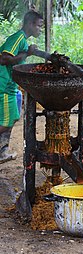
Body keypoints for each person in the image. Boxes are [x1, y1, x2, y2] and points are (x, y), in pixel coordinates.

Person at [0, 10, 43, 163]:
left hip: (10, 88)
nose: (40, 29)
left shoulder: (23, 40)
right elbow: (4, 59)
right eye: (39, 25)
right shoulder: (18, 38)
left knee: (10, 119)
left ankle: (2, 152)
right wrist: (27, 53)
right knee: (5, 123)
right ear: (30, 24)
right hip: (3, 86)